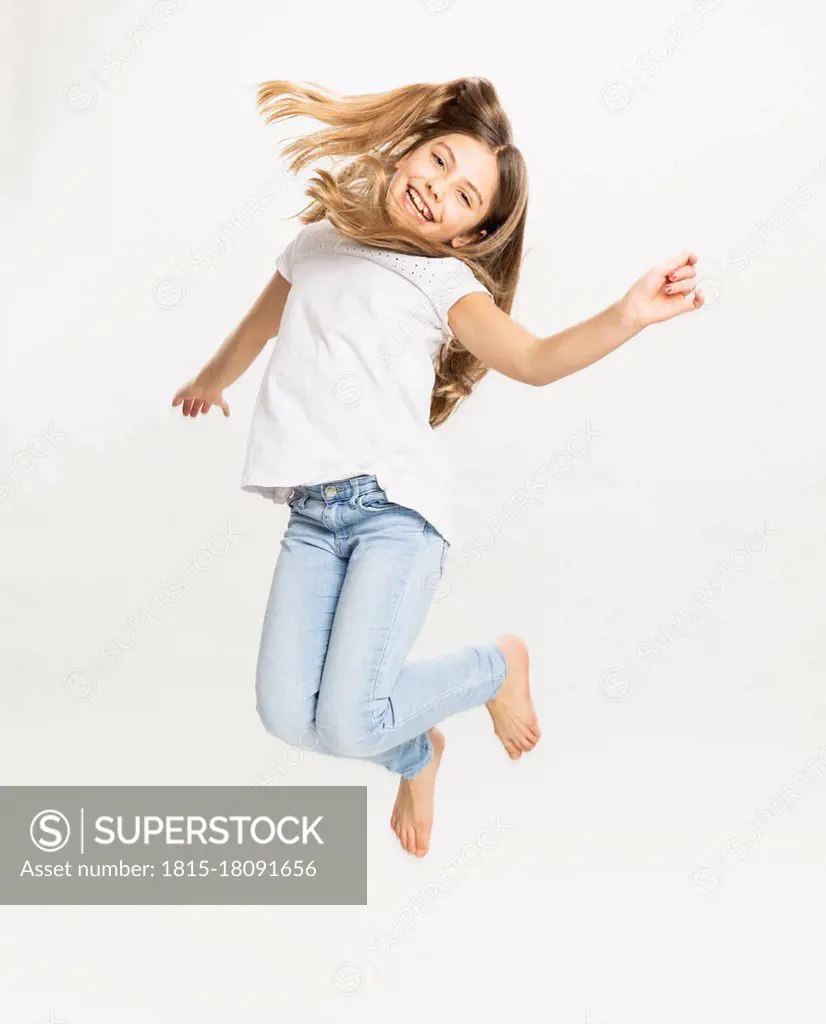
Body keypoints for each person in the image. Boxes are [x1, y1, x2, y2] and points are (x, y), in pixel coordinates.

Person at [171, 76, 703, 858]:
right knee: (287, 714)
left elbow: (532, 359)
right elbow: (261, 324)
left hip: (395, 515)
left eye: (464, 198)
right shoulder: (317, 240)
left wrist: (627, 314)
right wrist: (213, 377)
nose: (438, 191)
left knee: (350, 716)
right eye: (441, 162)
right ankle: (417, 752)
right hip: (313, 520)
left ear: (464, 237)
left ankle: (494, 669)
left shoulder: (442, 282)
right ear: (409, 150)